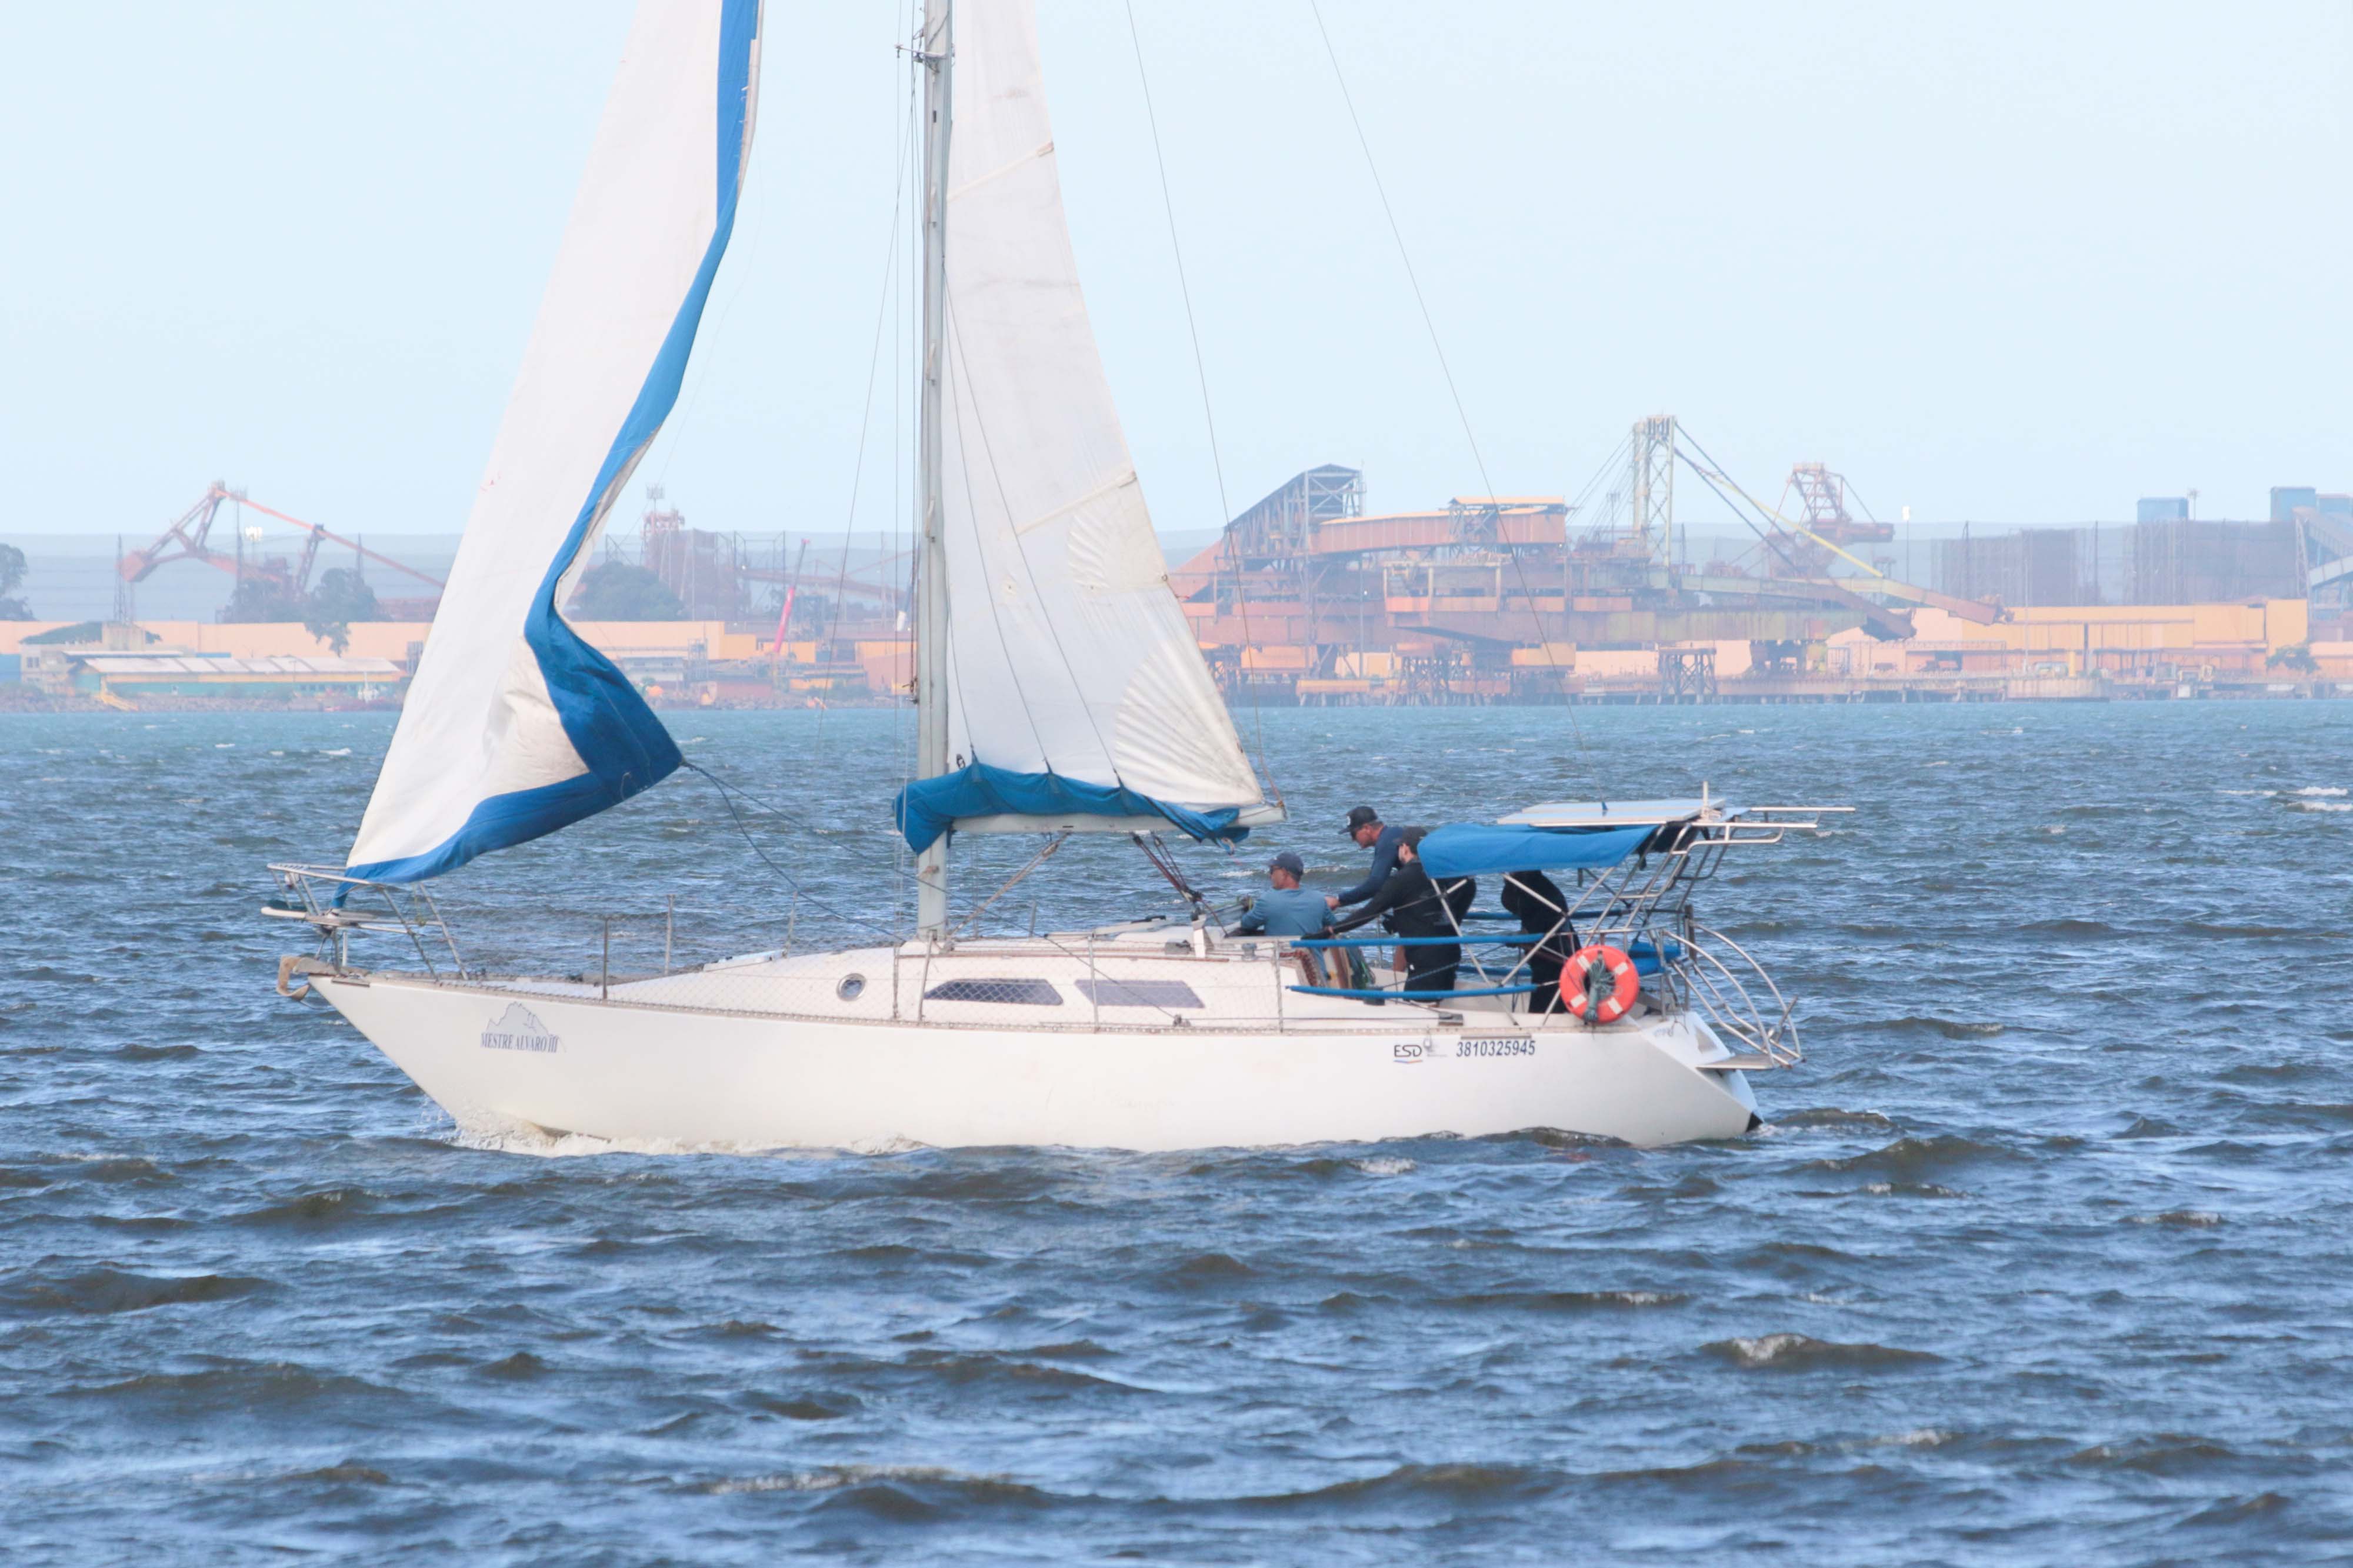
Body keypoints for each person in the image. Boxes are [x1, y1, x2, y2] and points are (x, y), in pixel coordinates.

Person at [1328, 828, 1476, 994]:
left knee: (1420, 1002)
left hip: (1423, 957)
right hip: (1450, 951)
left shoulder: (1401, 879)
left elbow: (1370, 911)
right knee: (1432, 1000)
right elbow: (1451, 899)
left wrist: (1333, 929)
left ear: (1405, 848)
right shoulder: (1443, 874)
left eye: (1399, 847)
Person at [1500, 868, 1575, 1014]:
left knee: (1547, 989)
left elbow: (1541, 920)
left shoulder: (1534, 889)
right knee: (1549, 984)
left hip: (1552, 952)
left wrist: (1522, 936)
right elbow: (1512, 905)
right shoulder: (1537, 886)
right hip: (1556, 949)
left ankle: (1547, 1016)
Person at [1231, 852, 1335, 939]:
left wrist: (1250, 911)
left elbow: (1247, 924)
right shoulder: (1319, 899)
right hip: (1312, 956)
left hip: (1281, 955)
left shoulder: (1268, 900)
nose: (1270, 875)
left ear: (1284, 873)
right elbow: (1334, 926)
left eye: (1272, 870)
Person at [1329, 806, 1408, 910]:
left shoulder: (1386, 842)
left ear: (1367, 829)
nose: (1353, 839)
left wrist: (1339, 900)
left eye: (1353, 834)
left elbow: (1375, 884)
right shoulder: (1392, 834)